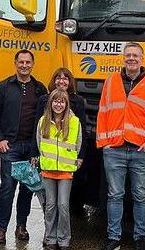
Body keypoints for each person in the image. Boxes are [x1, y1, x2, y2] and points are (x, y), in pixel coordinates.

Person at [96, 42, 145, 250]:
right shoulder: (111, 81)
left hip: (140, 150)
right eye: (128, 55)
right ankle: (113, 237)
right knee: (115, 195)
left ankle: (140, 237)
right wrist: (104, 143)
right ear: (123, 59)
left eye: (135, 55)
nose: (131, 59)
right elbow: (103, 111)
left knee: (140, 195)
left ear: (142, 59)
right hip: (114, 149)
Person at [0, 49, 48, 244]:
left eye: (28, 62)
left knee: (27, 189)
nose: (24, 65)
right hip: (9, 147)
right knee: (7, 188)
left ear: (33, 64)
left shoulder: (40, 89)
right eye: (21, 62)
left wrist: (37, 150)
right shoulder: (5, 86)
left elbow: (45, 121)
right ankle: (1, 229)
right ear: (15, 64)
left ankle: (21, 225)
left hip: (30, 149)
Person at [33, 89, 83, 250]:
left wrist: (73, 162)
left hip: (65, 170)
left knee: (63, 205)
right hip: (48, 170)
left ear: (66, 103)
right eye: (55, 101)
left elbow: (78, 143)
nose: (58, 104)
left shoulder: (74, 122)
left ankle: (64, 239)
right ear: (50, 103)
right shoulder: (43, 121)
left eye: (62, 101)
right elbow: (39, 143)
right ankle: (50, 238)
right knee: (50, 205)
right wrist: (44, 161)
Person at [37, 67, 88, 214]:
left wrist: (81, 156)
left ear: (70, 81)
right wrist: (36, 154)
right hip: (49, 161)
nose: (62, 81)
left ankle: (67, 229)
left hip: (68, 160)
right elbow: (38, 129)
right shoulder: (44, 100)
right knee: (50, 202)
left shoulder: (77, 101)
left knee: (65, 202)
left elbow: (81, 132)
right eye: (58, 78)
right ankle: (50, 232)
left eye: (65, 78)